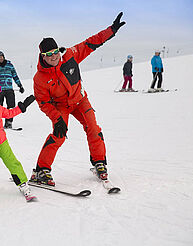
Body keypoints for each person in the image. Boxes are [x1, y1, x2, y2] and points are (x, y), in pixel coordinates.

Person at [31, 12, 126, 186]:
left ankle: (99, 163)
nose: (54, 56)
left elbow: (92, 42)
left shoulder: (70, 55)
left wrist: (111, 30)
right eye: (49, 54)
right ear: (42, 56)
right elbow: (43, 103)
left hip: (80, 100)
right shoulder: (39, 78)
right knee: (59, 134)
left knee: (93, 127)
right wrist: (56, 118)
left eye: (55, 52)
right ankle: (41, 170)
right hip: (61, 106)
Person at [0, 51, 24, 129]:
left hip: (9, 90)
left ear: (3, 57)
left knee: (11, 106)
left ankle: (8, 123)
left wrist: (20, 86)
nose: (0, 58)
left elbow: (15, 76)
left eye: (1, 56)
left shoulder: (10, 66)